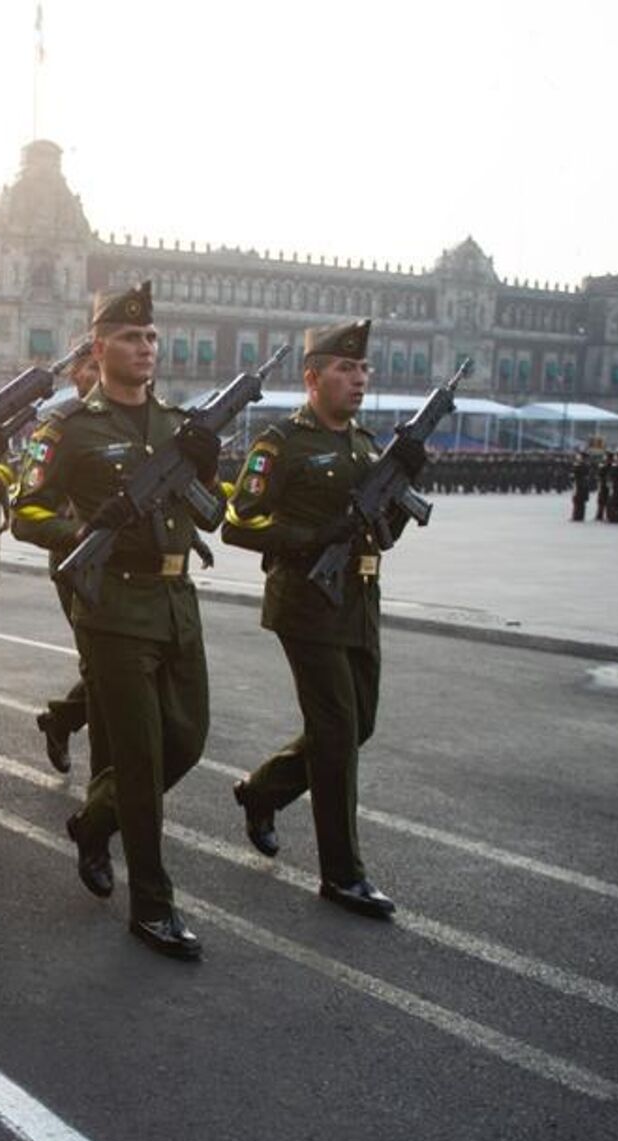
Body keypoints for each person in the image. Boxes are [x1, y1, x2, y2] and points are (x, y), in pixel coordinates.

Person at [11, 282, 219, 959]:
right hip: (114, 608)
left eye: (151, 336)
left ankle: (96, 821)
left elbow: (212, 512)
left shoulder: (178, 426)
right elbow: (25, 511)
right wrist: (80, 530)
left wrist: (209, 469)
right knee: (138, 756)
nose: (146, 346)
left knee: (186, 741)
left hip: (176, 601)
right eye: (131, 337)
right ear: (99, 349)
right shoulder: (68, 427)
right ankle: (153, 906)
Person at [221, 319, 422, 920]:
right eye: (344, 368)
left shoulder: (365, 445)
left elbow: (384, 533)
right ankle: (342, 874)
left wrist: (407, 477)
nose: (358, 378)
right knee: (336, 733)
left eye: (363, 369)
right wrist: (311, 537)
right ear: (313, 378)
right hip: (306, 602)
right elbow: (239, 521)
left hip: (359, 600)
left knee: (359, 725)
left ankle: (263, 791)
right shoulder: (282, 442)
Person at [28, 344, 102, 773]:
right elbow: (33, 502)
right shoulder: (62, 426)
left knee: (118, 665)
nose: (99, 373)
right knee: (105, 664)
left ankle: (62, 720)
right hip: (76, 558)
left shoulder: (135, 422)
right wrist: (75, 528)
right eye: (91, 366)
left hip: (125, 562)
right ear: (75, 375)